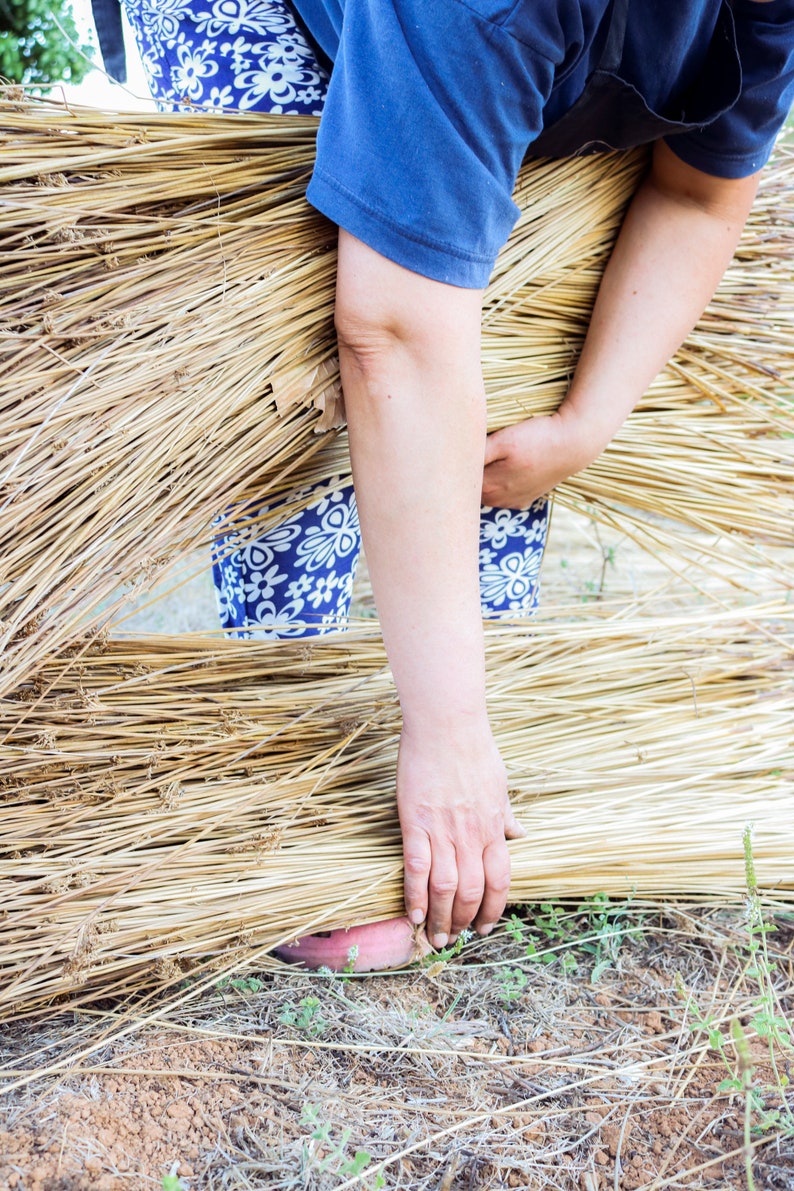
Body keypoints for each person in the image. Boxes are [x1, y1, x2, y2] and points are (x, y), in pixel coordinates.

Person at [98, 0, 794, 967]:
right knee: (310, 373)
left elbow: (699, 192)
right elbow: (392, 331)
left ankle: (458, 805)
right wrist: (446, 735)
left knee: (494, 332)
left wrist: (584, 421)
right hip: (271, 15)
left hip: (525, 57)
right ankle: (312, 810)